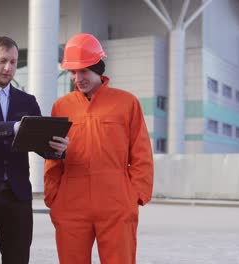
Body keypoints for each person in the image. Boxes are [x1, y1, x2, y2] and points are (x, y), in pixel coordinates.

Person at [0, 36, 69, 264]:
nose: (8, 68)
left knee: (18, 258)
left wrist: (57, 149)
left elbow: (40, 143)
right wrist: (16, 127)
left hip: (17, 195)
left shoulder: (27, 101)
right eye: (2, 60)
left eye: (14, 62)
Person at [44, 33, 154, 264]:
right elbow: (52, 157)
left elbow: (141, 153)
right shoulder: (61, 106)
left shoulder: (127, 103)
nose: (77, 77)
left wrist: (134, 196)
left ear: (98, 68)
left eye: (83, 71)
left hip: (115, 202)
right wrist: (54, 196)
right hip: (70, 202)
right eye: (72, 72)